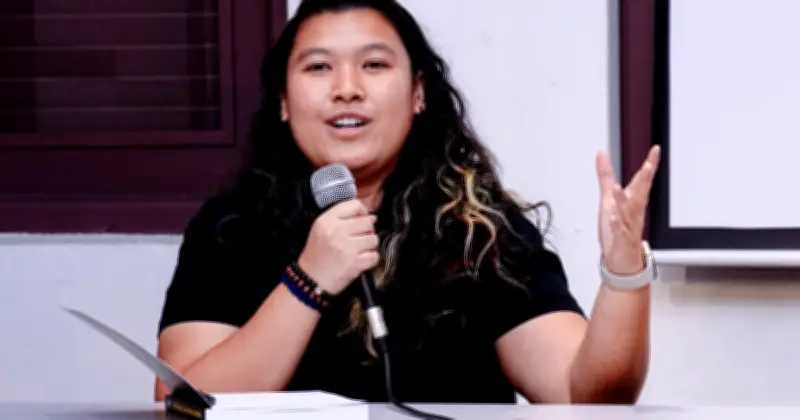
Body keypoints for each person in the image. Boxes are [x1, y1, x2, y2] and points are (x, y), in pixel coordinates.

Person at [155, 0, 661, 405]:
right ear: (284, 102)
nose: (347, 89)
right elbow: (183, 404)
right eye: (318, 67)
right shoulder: (230, 229)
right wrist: (308, 281)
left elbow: (585, 394)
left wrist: (624, 273)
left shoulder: (479, 230)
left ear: (418, 93)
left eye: (374, 65)